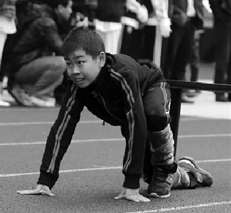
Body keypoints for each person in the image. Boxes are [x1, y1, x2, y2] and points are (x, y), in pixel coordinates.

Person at [17, 27, 214, 201]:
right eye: (68, 64)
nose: (74, 71)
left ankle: (165, 169)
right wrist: (45, 180)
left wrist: (130, 185)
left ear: (100, 59)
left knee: (152, 116)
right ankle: (188, 171)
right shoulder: (77, 86)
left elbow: (137, 123)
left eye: (80, 62)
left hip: (151, 89)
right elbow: (62, 128)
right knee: (150, 176)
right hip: (129, 115)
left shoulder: (121, 74)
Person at [7, 0, 71, 107]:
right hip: (21, 65)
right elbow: (61, 49)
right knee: (60, 64)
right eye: (69, 7)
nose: (70, 11)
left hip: (21, 63)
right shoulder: (45, 22)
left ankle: (23, 89)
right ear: (60, 7)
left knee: (59, 74)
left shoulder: (42, 15)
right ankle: (33, 94)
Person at [162, 0, 204, 98]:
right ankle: (165, 92)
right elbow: (168, 0)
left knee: (183, 59)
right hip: (177, 22)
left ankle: (178, 93)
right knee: (170, 58)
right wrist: (176, 15)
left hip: (191, 22)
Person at [209, 0, 231, 102]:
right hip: (225, 22)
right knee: (222, 56)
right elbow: (213, 0)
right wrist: (221, 17)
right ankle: (219, 90)